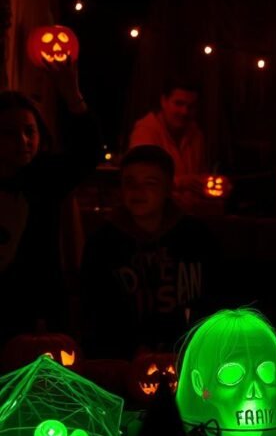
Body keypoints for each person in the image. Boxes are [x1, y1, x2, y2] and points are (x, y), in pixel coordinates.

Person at [80, 145, 219, 359]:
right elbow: (94, 310)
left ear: (168, 188)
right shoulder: (103, 243)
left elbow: (213, 299)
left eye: (150, 183)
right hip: (121, 360)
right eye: (130, 183)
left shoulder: (196, 237)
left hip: (189, 355)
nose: (138, 191)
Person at [0, 60, 101, 342]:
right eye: (9, 132)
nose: (23, 140)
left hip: (38, 305)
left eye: (29, 131)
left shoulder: (45, 177)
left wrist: (73, 98)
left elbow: (87, 154)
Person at [129, 78, 207, 212]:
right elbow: (141, 181)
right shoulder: (146, 132)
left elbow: (200, 179)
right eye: (179, 103)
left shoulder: (196, 135)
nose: (185, 112)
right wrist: (181, 183)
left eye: (191, 106)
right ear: (163, 101)